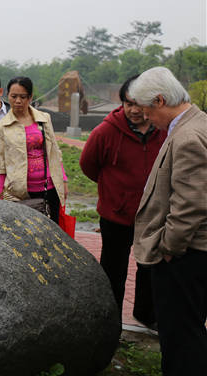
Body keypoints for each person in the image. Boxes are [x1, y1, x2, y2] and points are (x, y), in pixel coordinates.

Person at [130, 66, 207, 375]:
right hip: (189, 253)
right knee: (186, 330)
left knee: (180, 336)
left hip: (186, 255)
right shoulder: (195, 123)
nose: (146, 118)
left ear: (160, 100)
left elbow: (190, 204)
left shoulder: (187, 136)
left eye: (147, 110)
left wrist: (169, 248)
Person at [80, 75, 166, 329]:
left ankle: (145, 314)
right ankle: (110, 321)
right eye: (129, 103)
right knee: (113, 269)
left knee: (149, 266)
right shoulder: (106, 131)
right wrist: (113, 191)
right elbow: (88, 165)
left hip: (152, 214)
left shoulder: (163, 130)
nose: (134, 110)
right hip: (116, 214)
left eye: (139, 103)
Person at [0, 76, 68, 223]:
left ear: (30, 97)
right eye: (14, 96)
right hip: (19, 192)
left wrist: (63, 180)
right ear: (7, 96)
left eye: (23, 97)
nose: (18, 101)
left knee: (51, 230)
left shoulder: (44, 119)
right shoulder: (2, 126)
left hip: (48, 188)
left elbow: (54, 152)